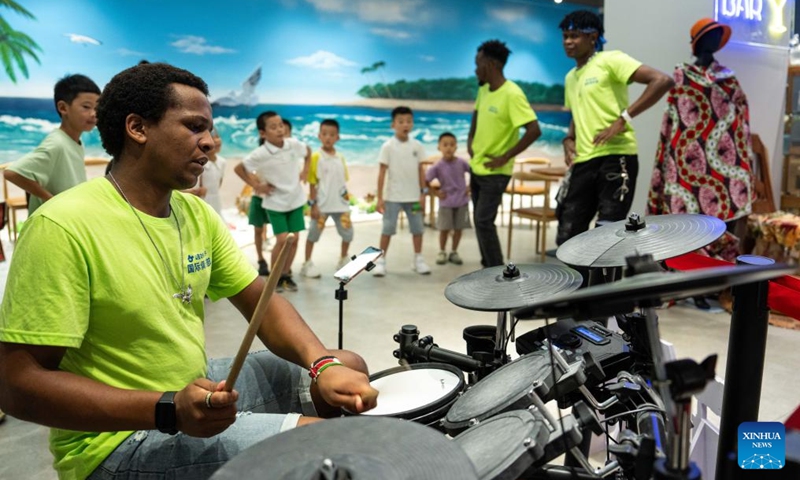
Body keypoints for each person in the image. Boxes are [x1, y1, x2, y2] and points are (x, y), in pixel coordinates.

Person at [0, 62, 377, 480]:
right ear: (137, 128)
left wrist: (322, 366)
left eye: (210, 129)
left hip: (189, 384)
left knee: (348, 366)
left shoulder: (193, 212)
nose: (210, 143)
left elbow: (262, 303)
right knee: (330, 447)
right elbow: (16, 385)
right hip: (118, 441)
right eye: (195, 127)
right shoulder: (63, 225)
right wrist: (166, 408)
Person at [557, 10, 674, 245]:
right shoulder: (571, 77)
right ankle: (582, 283)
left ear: (593, 37)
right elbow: (578, 114)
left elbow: (662, 80)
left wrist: (623, 119)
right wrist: (569, 139)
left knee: (608, 235)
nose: (568, 41)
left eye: (575, 36)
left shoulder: (610, 60)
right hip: (584, 159)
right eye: (566, 36)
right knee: (568, 234)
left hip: (616, 157)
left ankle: (604, 283)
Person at [467, 40, 541, 268]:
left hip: (496, 172)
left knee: (483, 221)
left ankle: (496, 271)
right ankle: (487, 267)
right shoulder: (483, 89)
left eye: (478, 63)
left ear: (490, 64)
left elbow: (534, 130)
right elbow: (477, 116)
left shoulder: (512, 94)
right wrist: (470, 140)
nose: (475, 69)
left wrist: (505, 157)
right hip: (477, 167)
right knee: (480, 222)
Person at [3, 74, 101, 215]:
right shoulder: (57, 143)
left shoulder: (75, 141)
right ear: (63, 108)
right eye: (86, 107)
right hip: (51, 225)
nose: (93, 114)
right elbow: (12, 173)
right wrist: (51, 200)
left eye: (97, 108)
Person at [235, 111, 310, 292]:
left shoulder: (292, 145)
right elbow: (239, 169)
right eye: (273, 127)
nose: (279, 129)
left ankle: (285, 275)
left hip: (296, 200)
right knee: (283, 239)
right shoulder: (261, 153)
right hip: (275, 203)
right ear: (263, 133)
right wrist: (257, 185)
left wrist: (306, 170)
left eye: (281, 125)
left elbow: (308, 152)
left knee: (296, 239)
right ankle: (274, 277)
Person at [372, 106, 430, 277]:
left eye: (409, 121)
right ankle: (381, 261)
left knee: (418, 229)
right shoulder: (388, 146)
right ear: (393, 124)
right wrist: (380, 198)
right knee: (387, 229)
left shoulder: (417, 146)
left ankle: (418, 259)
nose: (405, 125)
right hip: (392, 197)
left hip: (413, 197)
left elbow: (421, 171)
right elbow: (382, 172)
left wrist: (423, 193)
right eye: (401, 121)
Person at [301, 119, 353, 278]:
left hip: (341, 206)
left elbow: (342, 181)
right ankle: (307, 263)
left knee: (348, 234)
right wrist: (313, 205)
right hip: (322, 206)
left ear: (338, 137)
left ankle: (343, 259)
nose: (328, 137)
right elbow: (312, 183)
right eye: (324, 134)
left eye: (332, 134)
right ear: (319, 136)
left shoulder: (341, 157)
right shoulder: (316, 157)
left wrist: (346, 200)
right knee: (313, 235)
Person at [425, 132, 471, 265]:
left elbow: (473, 172)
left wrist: (469, 187)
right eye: (445, 145)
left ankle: (454, 251)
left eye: (452, 145)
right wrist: (436, 192)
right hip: (446, 202)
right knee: (444, 229)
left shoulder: (462, 163)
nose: (448, 148)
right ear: (439, 147)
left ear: (456, 147)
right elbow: (426, 180)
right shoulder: (438, 166)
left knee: (458, 228)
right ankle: (442, 251)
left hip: (462, 201)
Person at [201, 127, 228, 217]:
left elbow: (219, 183)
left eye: (217, 136)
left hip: (216, 198)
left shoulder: (222, 162)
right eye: (213, 137)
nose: (216, 140)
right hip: (203, 199)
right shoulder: (201, 162)